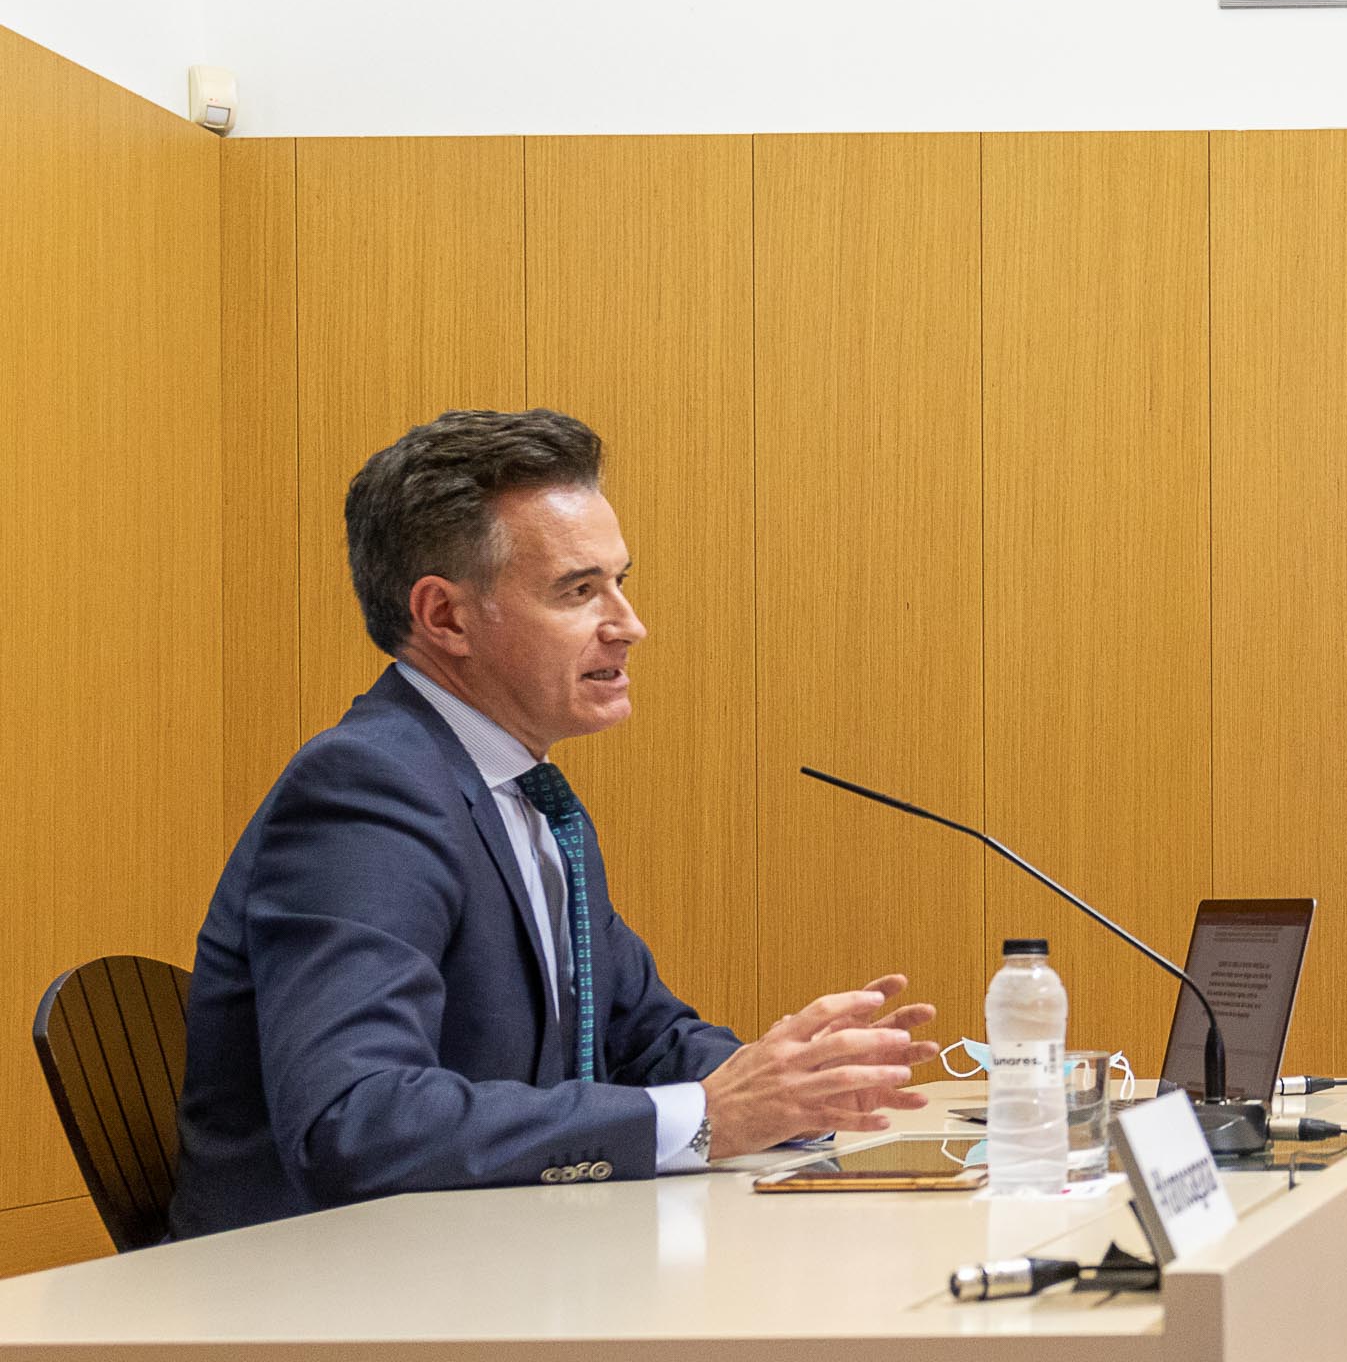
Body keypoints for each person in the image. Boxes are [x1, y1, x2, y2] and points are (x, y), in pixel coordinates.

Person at [171, 409, 933, 1236]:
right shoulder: (368, 788)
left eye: (620, 582)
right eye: (579, 591)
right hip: (324, 1286)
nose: (628, 624)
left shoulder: (529, 796)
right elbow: (357, 1120)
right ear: (446, 617)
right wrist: (710, 1116)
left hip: (490, 1257)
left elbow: (643, 1039)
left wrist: (800, 1085)